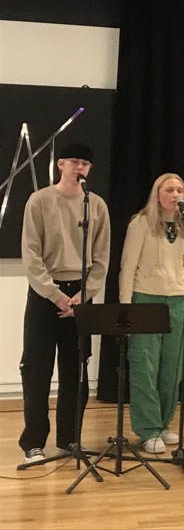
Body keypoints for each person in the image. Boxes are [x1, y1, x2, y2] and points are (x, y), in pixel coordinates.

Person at [19, 141, 111, 465]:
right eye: (74, 161)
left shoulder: (96, 205)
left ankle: (69, 439)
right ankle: (33, 442)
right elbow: (31, 254)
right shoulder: (40, 200)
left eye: (85, 163)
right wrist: (54, 294)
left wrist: (84, 295)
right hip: (46, 294)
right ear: (60, 164)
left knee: (76, 371)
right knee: (37, 370)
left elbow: (101, 258)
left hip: (80, 294)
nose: (80, 168)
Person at [119, 173, 184, 454]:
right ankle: (148, 429)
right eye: (169, 190)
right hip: (145, 299)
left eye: (180, 190)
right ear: (157, 195)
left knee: (172, 368)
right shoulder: (141, 223)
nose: (175, 194)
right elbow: (127, 268)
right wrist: (125, 309)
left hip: (177, 301)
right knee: (145, 367)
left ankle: (164, 423)